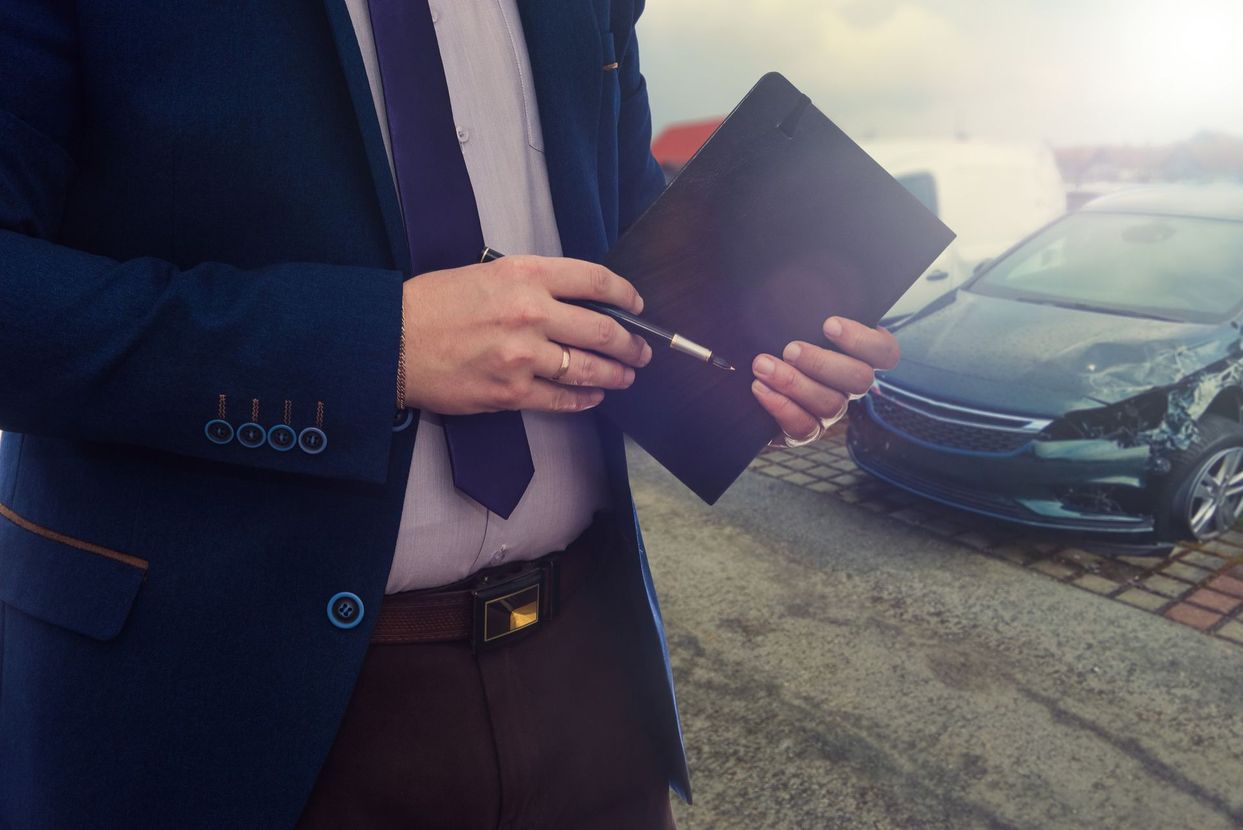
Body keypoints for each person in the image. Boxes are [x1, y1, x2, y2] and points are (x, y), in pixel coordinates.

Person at [0, 1, 898, 827]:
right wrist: (374, 347)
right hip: (220, 710)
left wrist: (759, 357)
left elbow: (625, 257)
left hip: (590, 679)